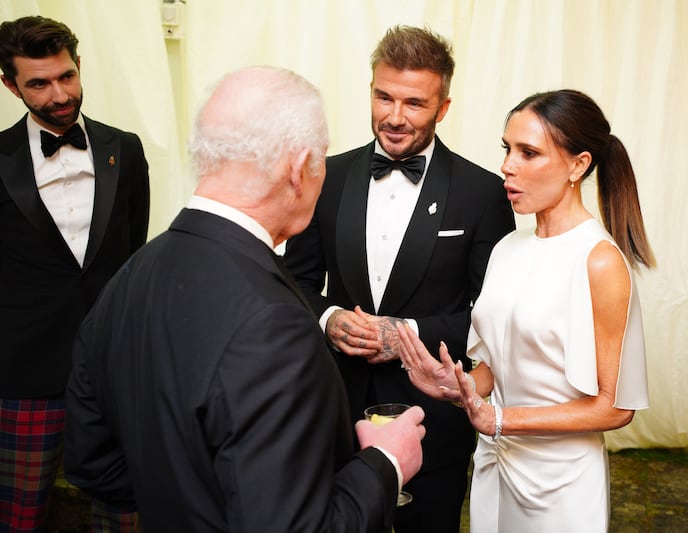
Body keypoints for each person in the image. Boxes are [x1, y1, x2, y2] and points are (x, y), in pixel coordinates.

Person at [63, 65, 427, 533]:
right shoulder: (273, 324)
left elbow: (92, 463)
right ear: (300, 169)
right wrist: (385, 461)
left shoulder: (130, 276)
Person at [283, 25, 515, 533]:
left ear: (443, 107)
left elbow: (490, 317)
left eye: (414, 103)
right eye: (383, 97)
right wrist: (328, 317)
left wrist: (404, 335)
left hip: (434, 417)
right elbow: (291, 282)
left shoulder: (484, 194)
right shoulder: (327, 174)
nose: (394, 116)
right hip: (335, 409)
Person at [397, 89, 656, 532]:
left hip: (560, 485)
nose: (507, 166)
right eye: (508, 149)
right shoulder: (507, 249)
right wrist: (454, 385)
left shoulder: (599, 260)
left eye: (528, 153)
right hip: (495, 468)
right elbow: (497, 372)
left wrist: (500, 419)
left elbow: (616, 408)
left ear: (579, 164)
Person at [0, 15, 149, 531]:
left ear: (79, 66)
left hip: (113, 368)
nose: (59, 94)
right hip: (22, 374)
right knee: (19, 515)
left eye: (66, 76)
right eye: (38, 84)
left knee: (123, 512)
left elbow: (133, 258)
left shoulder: (124, 149)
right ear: (9, 84)